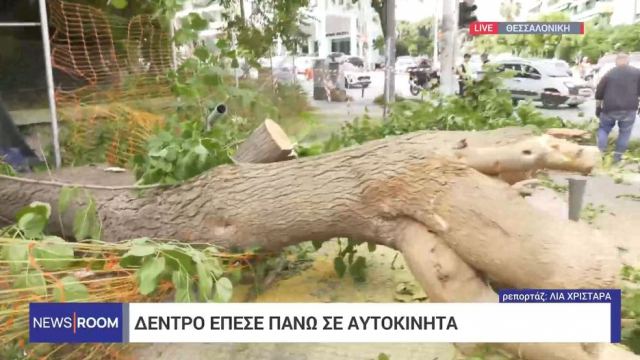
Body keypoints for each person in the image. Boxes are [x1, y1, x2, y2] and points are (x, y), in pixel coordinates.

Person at [595, 52, 640, 163]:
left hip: (610, 107)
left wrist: (598, 107)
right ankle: (617, 158)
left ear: (616, 61)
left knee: (604, 129)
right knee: (625, 133)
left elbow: (599, 91)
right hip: (629, 108)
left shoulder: (610, 73)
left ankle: (600, 154)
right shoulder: (637, 73)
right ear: (628, 61)